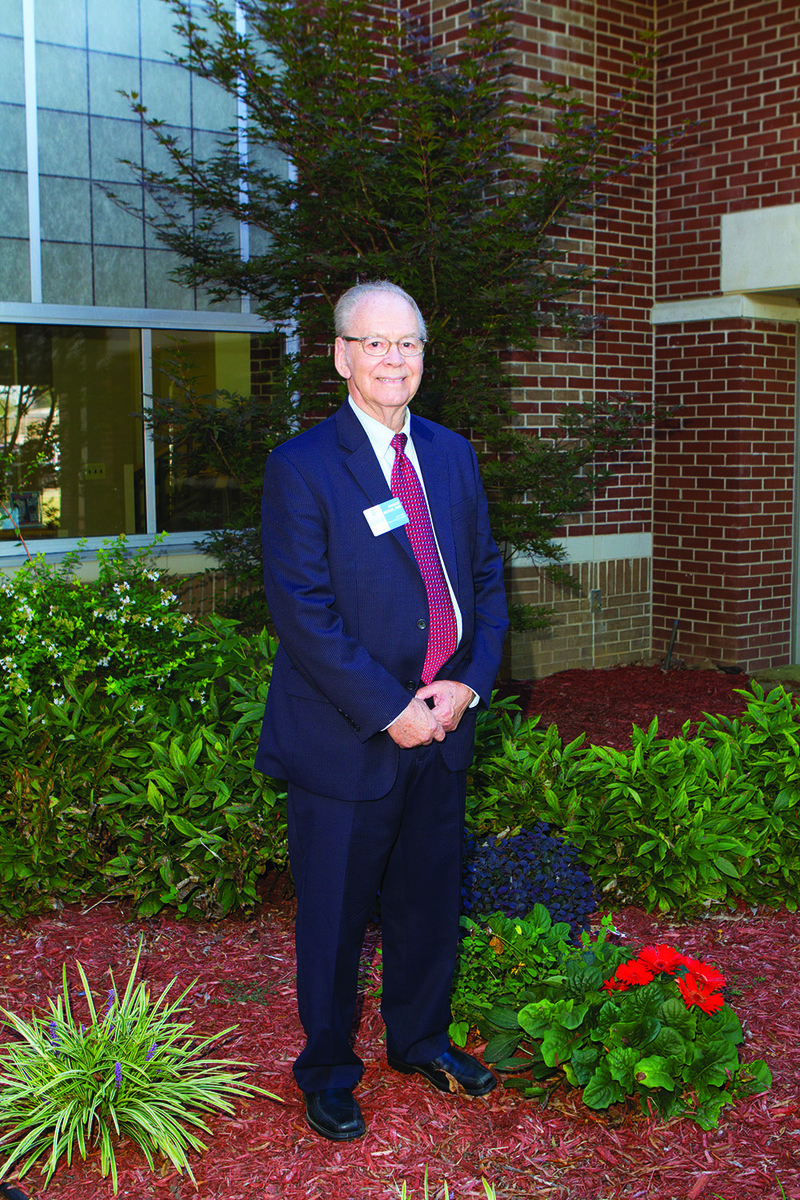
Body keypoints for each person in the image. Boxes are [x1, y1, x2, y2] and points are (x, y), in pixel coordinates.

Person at [255, 280, 509, 1141]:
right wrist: (391, 706)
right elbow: (303, 613)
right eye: (376, 343)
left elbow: (483, 581)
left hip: (442, 726)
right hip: (346, 737)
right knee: (331, 918)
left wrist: (466, 684)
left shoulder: (452, 454)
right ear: (341, 356)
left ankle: (420, 1041)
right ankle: (326, 1069)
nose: (394, 358)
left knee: (427, 902)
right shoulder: (302, 467)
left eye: (408, 344)